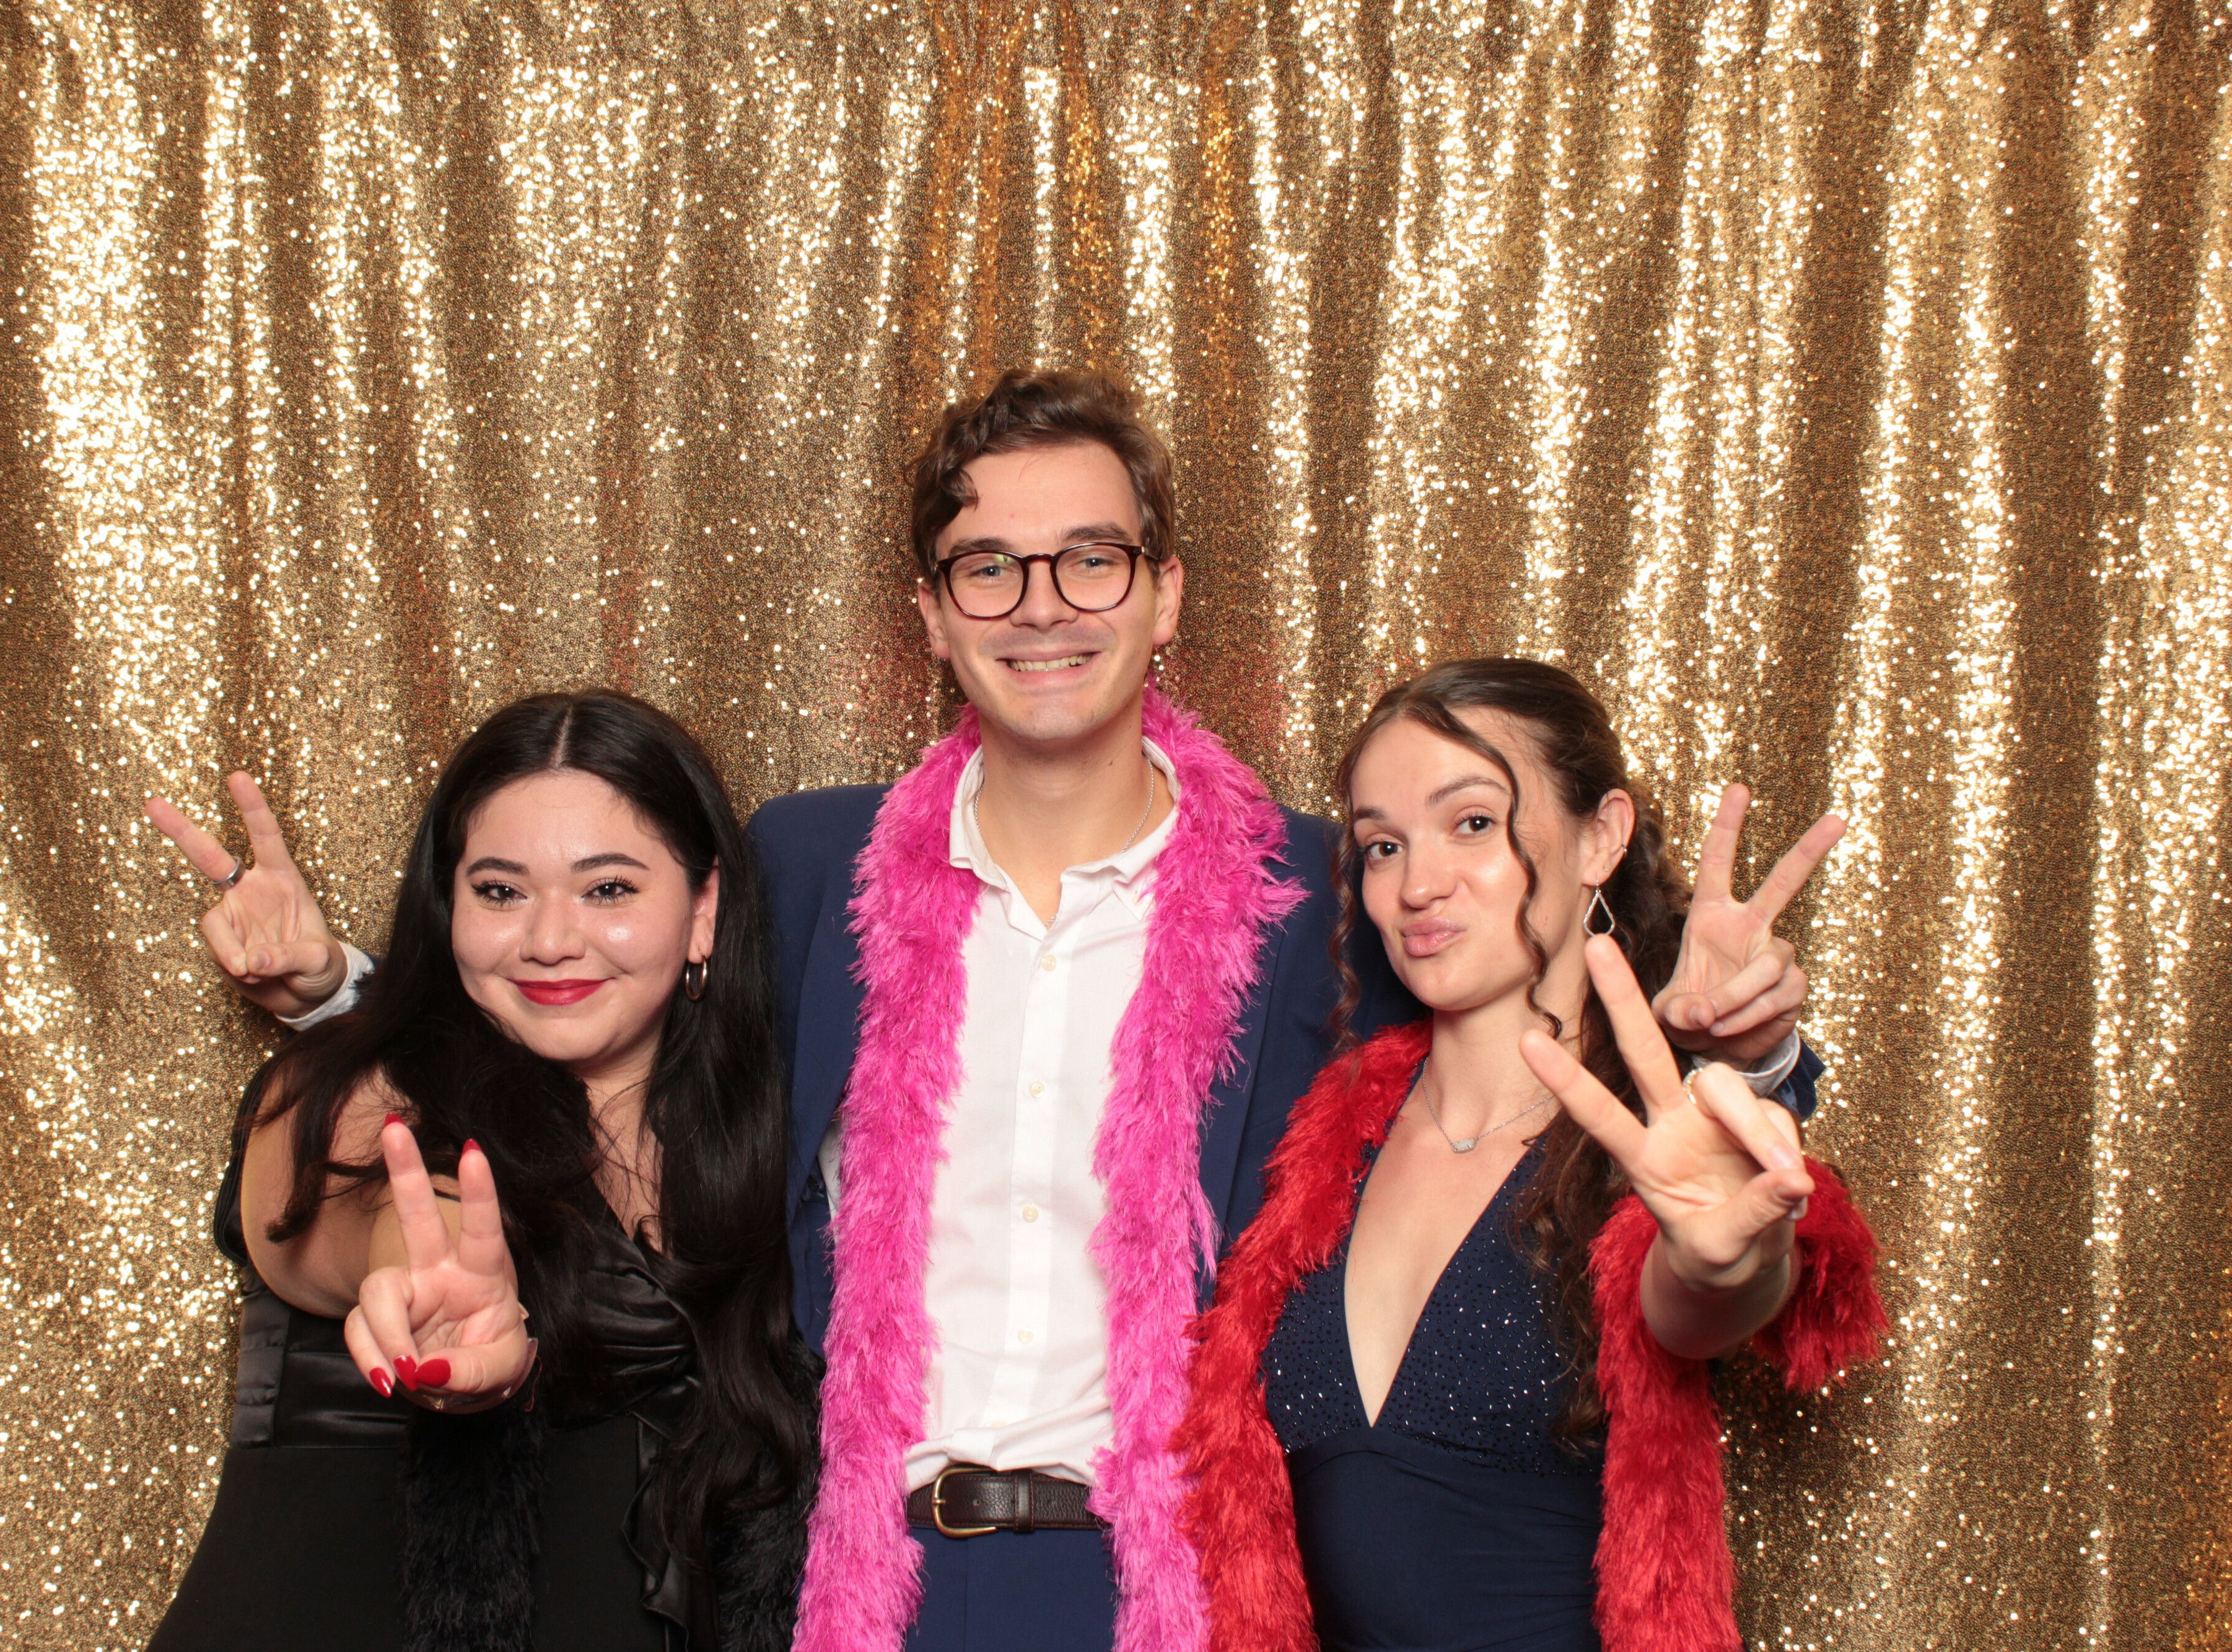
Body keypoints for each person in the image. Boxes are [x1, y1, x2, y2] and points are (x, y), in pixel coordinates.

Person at [172, 371, 1824, 1652]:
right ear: (931, 611)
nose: (1043, 604)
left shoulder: (1321, 891)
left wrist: (1743, 1047)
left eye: (1090, 557)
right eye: (988, 564)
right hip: (855, 1579)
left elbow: (1543, 1065)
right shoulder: (807, 866)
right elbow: (591, 995)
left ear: (1163, 594)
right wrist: (348, 991)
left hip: (1165, 1588)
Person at [1175, 658, 1888, 1652]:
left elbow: (1702, 1289)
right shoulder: (1321, 1147)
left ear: (1601, 837)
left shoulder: (1650, 1137)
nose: (1417, 885)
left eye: (1472, 823)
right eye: (1383, 846)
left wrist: (1726, 1260)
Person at [144, 691, 812, 1652]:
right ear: (448, 906)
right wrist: (438, 1287)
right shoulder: (346, 1087)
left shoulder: (764, 1151)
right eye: (501, 892)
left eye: (608, 890)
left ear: (702, 912)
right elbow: (392, 1196)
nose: (550, 939)